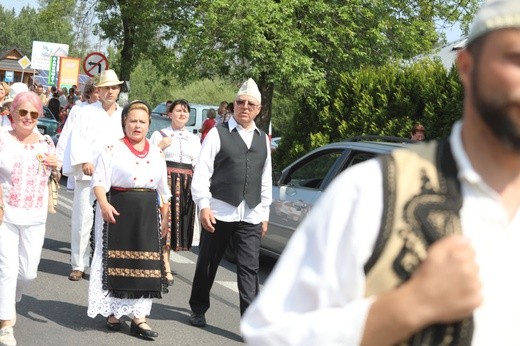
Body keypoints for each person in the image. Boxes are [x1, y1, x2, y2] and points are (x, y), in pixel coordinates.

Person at [241, 1, 520, 345]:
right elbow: (271, 334)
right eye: (516, 58)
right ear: (466, 65)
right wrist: (409, 306)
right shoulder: (373, 191)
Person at [189, 78, 272, 327]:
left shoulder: (263, 139)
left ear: (258, 109)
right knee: (207, 263)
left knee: (249, 270)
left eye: (250, 104)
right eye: (240, 102)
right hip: (220, 211)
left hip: (251, 215)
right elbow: (202, 172)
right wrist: (203, 205)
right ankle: (198, 307)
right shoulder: (217, 133)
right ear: (234, 105)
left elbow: (265, 177)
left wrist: (265, 212)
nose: (244, 107)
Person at [87, 100, 171, 339]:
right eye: (132, 120)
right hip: (117, 212)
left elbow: (163, 190)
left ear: (149, 125)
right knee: (114, 261)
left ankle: (139, 317)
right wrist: (103, 204)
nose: (137, 125)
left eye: (142, 122)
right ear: (124, 122)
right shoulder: (111, 149)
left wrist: (165, 217)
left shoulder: (156, 153)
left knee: (144, 264)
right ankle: (113, 312)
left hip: (146, 215)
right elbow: (100, 182)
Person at [0, 91, 60, 346]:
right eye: (22, 112)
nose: (27, 117)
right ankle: (6, 326)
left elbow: (57, 172)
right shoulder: (2, 139)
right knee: (7, 269)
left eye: (33, 114)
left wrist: (56, 165)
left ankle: (9, 300)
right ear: (12, 113)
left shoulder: (46, 142)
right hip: (6, 214)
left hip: (35, 216)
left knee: (27, 274)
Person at [65, 69, 124, 281]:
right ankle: (78, 264)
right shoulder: (86, 112)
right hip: (88, 173)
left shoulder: (123, 114)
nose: (110, 91)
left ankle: (104, 263)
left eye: (114, 87)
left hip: (114, 175)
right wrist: (84, 160)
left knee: (110, 220)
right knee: (83, 219)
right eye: (107, 87)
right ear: (98, 90)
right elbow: (78, 139)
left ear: (119, 90)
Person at [150, 99, 201, 287]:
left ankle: (163, 262)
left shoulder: (194, 139)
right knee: (165, 222)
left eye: (185, 111)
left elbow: (199, 164)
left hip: (186, 184)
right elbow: (149, 158)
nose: (182, 114)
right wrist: (160, 146)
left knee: (177, 226)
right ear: (169, 113)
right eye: (178, 110)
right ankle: (165, 265)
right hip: (166, 181)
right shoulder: (159, 135)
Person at [56, 80, 99, 192]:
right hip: (80, 164)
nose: (99, 95)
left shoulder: (107, 111)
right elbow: (66, 135)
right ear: (89, 93)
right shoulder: (79, 109)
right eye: (96, 92)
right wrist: (58, 163)